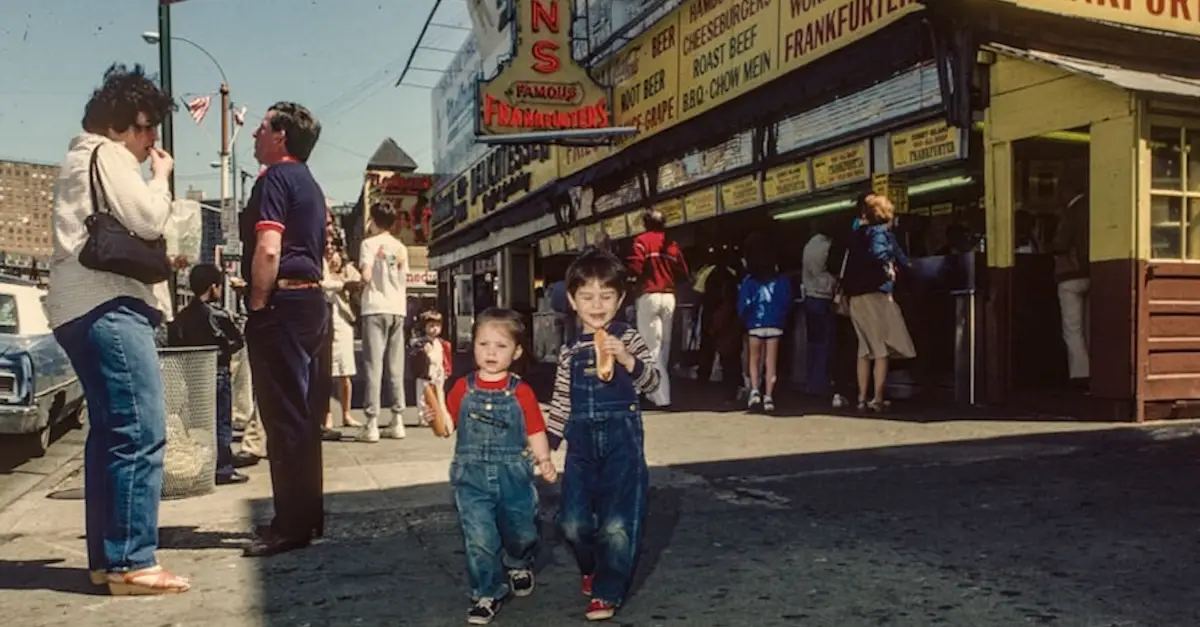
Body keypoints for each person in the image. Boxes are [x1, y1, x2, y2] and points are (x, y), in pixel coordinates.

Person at [46, 63, 190, 594]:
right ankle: (132, 560)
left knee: (110, 432)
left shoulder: (78, 158)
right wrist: (160, 178)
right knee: (141, 429)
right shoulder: (108, 154)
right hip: (109, 304)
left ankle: (107, 559)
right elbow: (149, 218)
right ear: (119, 124)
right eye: (147, 127)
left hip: (76, 308)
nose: (151, 141)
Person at [548, 249, 661, 622]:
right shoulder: (569, 352)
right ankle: (590, 565)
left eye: (606, 296)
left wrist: (628, 360)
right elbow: (561, 402)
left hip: (622, 443)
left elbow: (653, 382)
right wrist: (545, 448)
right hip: (580, 445)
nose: (597, 306)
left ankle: (607, 592)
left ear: (620, 298)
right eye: (587, 296)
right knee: (572, 523)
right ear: (572, 300)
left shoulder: (629, 337)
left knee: (617, 524)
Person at [427, 308, 557, 625]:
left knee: (522, 531)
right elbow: (447, 427)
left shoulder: (521, 391)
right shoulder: (462, 387)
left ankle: (518, 561)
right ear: (473, 346)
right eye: (483, 344)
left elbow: (535, 429)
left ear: (516, 352)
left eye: (500, 346)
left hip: (514, 476)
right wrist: (435, 417)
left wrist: (544, 459)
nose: (491, 352)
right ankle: (485, 592)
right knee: (479, 539)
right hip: (471, 478)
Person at [240, 101, 330, 558]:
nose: (254, 134)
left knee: (282, 418)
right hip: (311, 302)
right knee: (304, 417)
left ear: (280, 136)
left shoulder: (274, 178)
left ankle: (289, 526)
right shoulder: (309, 183)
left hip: (282, 303)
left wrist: (258, 303)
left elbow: (269, 247)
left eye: (261, 127)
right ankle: (307, 516)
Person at [168, 264, 248, 485]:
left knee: (200, 422)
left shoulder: (183, 316)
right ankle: (223, 467)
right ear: (213, 287)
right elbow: (236, 341)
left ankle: (202, 464)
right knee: (222, 421)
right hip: (218, 371)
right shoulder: (218, 315)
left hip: (193, 374)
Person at [842, 193, 915, 412]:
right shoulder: (880, 233)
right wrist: (889, 268)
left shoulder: (855, 235)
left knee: (864, 350)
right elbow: (881, 254)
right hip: (875, 296)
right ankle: (878, 398)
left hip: (855, 297)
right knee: (880, 349)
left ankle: (861, 398)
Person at [357, 201, 411, 442]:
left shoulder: (368, 244)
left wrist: (359, 283)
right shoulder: (400, 247)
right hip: (397, 308)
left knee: (373, 366)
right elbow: (403, 277)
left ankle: (371, 423)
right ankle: (397, 420)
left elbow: (366, 274)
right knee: (396, 365)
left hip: (374, 307)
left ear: (373, 220)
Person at [627, 209, 689, 410]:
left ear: (646, 224)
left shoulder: (641, 241)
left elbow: (635, 268)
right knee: (664, 346)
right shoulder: (672, 244)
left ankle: (660, 396)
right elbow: (683, 271)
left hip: (649, 296)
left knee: (650, 346)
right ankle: (648, 391)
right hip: (669, 297)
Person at [737, 236, 793, 414]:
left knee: (754, 359)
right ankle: (769, 396)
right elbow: (786, 301)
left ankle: (755, 391)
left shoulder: (749, 281)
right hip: (775, 323)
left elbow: (744, 304)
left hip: (754, 322)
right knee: (771, 362)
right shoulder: (781, 280)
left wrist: (744, 319)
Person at [322, 245, 363, 436]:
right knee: (326, 373)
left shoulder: (349, 270)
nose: (333, 258)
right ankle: (327, 414)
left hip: (344, 324)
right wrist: (341, 284)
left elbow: (359, 282)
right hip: (325, 324)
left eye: (335, 253)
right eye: (329, 254)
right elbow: (322, 284)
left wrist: (344, 281)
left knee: (345, 373)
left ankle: (346, 413)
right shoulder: (321, 269)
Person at [1053, 183, 1090, 390]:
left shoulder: (1071, 212)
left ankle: (1080, 375)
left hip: (1070, 276)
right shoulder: (1095, 208)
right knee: (1090, 326)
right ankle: (1096, 373)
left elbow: (1061, 244)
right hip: (1093, 273)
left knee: (1073, 328)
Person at [801, 218, 838, 399]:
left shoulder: (808, 245)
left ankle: (812, 382)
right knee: (825, 342)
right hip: (824, 297)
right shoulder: (828, 246)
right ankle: (822, 382)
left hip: (810, 297)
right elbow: (829, 270)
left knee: (813, 343)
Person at [410, 310, 452, 426]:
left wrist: (446, 370)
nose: (434, 329)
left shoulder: (442, 343)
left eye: (437, 326)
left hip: (438, 371)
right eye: (431, 326)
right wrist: (422, 351)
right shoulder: (420, 343)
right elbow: (416, 356)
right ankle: (423, 417)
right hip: (425, 372)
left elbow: (445, 358)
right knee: (423, 396)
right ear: (425, 327)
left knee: (439, 394)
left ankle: (439, 414)